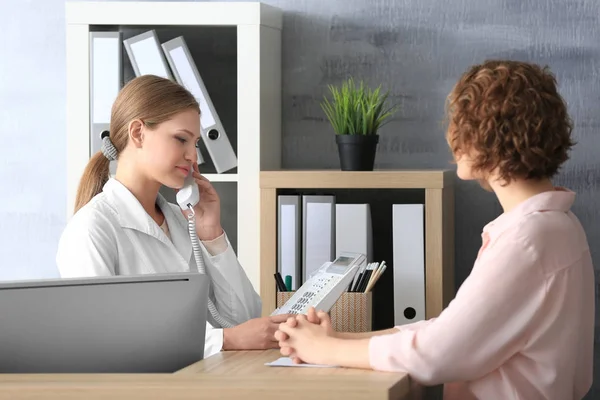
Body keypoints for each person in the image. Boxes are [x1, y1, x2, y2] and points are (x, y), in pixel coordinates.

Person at [275, 60, 594, 400]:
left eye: (460, 123)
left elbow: (439, 352)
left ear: (488, 138)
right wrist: (339, 340)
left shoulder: (527, 241)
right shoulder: (558, 227)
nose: (450, 135)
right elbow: (450, 331)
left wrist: (326, 352)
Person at [56, 74, 290, 358]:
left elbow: (243, 319)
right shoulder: (92, 229)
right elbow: (101, 337)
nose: (193, 156)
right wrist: (224, 340)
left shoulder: (181, 223)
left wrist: (212, 235)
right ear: (138, 133)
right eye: (181, 139)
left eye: (196, 144)